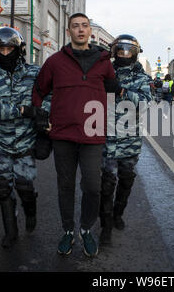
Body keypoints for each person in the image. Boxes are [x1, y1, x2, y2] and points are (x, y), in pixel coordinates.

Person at [32, 13, 119, 257]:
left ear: (90, 31)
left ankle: (86, 228)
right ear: (68, 31)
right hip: (63, 135)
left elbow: (114, 91)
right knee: (66, 186)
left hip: (93, 134)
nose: (80, 30)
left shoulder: (104, 61)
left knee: (93, 186)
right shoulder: (55, 61)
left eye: (84, 26)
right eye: (75, 26)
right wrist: (42, 118)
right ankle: (68, 230)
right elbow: (39, 90)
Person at [0, 27, 49, 248]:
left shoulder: (34, 73)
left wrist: (42, 112)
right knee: (2, 188)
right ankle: (11, 232)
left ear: (19, 50)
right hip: (0, 142)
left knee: (25, 186)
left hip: (26, 141)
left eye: (10, 48)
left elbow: (50, 96)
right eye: (2, 49)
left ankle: (30, 210)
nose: (6, 53)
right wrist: (23, 110)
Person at [98, 34, 152, 245]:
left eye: (128, 52)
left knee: (126, 178)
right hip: (107, 136)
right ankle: (106, 224)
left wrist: (122, 91)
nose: (124, 55)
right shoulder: (105, 71)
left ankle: (118, 213)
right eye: (120, 51)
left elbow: (146, 103)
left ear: (136, 54)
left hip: (130, 138)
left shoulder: (141, 77)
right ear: (114, 52)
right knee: (107, 182)